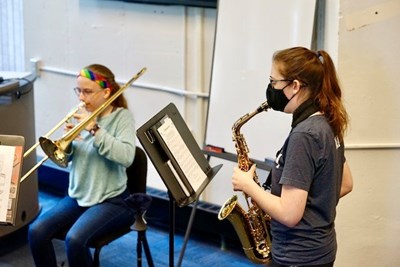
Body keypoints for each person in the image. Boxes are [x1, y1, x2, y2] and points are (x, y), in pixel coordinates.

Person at [231, 47, 353, 267]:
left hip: (297, 256)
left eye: (274, 82)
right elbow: (345, 184)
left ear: (295, 86)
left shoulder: (304, 135)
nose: (271, 89)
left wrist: (248, 185)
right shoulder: (327, 121)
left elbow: (289, 214)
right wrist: (314, 208)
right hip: (321, 250)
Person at [28, 64, 137, 267]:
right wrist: (66, 144)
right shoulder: (77, 113)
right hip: (79, 196)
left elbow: (127, 157)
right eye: (79, 90)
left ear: (106, 92)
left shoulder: (122, 118)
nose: (81, 97)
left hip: (112, 200)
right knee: (36, 231)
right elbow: (66, 161)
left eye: (87, 91)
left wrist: (95, 129)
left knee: (75, 239)